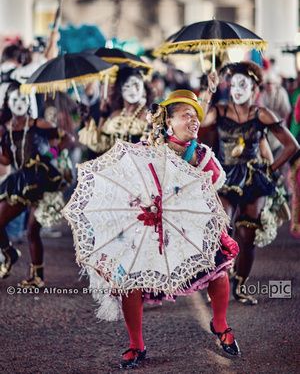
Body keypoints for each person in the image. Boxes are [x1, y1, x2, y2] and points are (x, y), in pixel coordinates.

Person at [116, 89, 241, 369]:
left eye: (195, 116)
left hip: (189, 230)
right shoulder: (145, 150)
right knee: (129, 283)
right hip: (151, 229)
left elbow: (212, 195)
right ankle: (136, 344)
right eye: (186, 115)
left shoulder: (203, 156)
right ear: (168, 122)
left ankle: (220, 324)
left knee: (218, 271)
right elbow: (128, 188)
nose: (194, 120)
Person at [201, 61, 299, 305]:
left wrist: (270, 169)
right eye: (233, 83)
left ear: (255, 87)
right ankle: (217, 279)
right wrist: (209, 91)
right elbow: (200, 122)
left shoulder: (261, 114)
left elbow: (292, 146)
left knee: (247, 233)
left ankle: (240, 284)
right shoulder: (220, 110)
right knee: (222, 224)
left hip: (254, 179)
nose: (237, 88)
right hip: (225, 176)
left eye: (242, 84)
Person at [0, 82, 69, 287]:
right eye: (15, 99)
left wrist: (49, 155)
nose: (20, 103)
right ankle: (9, 252)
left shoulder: (40, 124)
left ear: (29, 101)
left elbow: (63, 141)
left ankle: (37, 276)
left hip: (43, 180)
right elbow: (5, 160)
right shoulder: (5, 129)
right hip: (20, 181)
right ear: (8, 103)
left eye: (23, 99)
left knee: (32, 229)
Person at [78, 66, 152, 156]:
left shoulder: (148, 117)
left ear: (143, 88)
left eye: (137, 85)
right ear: (120, 88)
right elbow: (100, 145)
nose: (133, 90)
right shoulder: (115, 116)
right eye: (128, 85)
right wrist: (87, 119)